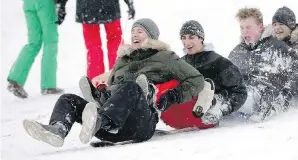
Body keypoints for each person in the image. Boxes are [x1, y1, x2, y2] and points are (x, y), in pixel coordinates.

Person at [23, 18, 205, 147]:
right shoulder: (122, 60)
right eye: (133, 31)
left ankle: (100, 120)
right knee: (68, 99)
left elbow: (196, 80)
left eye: (140, 31)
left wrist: (172, 96)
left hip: (141, 123)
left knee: (132, 87)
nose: (134, 34)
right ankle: (57, 130)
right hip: (110, 128)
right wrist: (102, 94)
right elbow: (114, 90)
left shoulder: (165, 57)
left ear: (151, 36)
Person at [228, 7, 298, 122]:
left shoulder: (276, 47)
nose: (244, 31)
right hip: (241, 102)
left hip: (267, 105)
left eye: (248, 27)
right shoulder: (237, 52)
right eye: (242, 28)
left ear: (260, 27)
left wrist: (285, 96)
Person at [178, 20, 247, 126]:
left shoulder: (219, 62)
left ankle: (213, 102)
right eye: (183, 37)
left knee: (207, 90)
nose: (186, 42)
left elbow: (240, 91)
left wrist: (222, 111)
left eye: (191, 37)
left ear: (201, 38)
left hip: (209, 111)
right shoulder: (180, 64)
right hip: (186, 111)